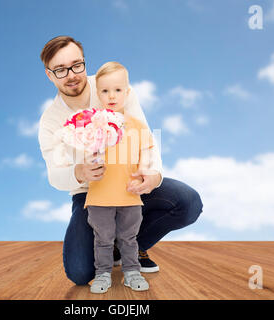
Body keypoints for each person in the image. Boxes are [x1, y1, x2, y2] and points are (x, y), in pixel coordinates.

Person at [38, 35, 203, 286]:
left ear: (84, 62)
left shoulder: (112, 86)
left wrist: (154, 174)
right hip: (90, 193)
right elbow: (54, 175)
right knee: (80, 272)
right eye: (60, 70)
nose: (71, 74)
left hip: (129, 182)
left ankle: (129, 247)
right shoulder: (51, 120)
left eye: (76, 65)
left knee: (187, 202)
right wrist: (79, 171)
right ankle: (111, 244)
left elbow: (145, 135)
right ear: (50, 75)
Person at [81, 61, 153, 293]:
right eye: (104, 90)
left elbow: (147, 151)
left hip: (129, 195)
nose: (111, 96)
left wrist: (143, 175)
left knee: (129, 238)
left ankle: (132, 271)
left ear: (127, 92)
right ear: (97, 94)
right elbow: (85, 156)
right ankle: (102, 273)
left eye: (118, 90)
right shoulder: (91, 126)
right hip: (100, 196)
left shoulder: (138, 126)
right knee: (102, 239)